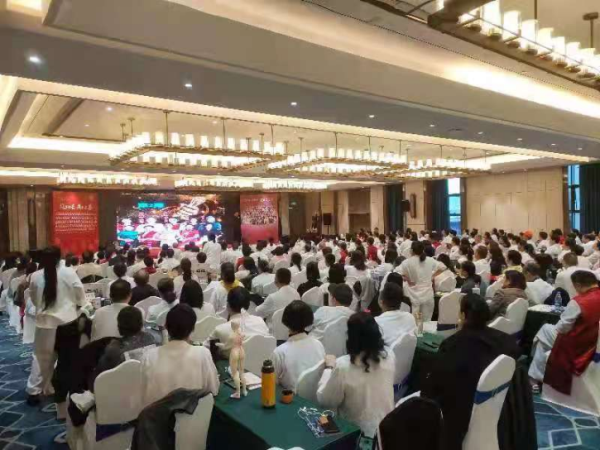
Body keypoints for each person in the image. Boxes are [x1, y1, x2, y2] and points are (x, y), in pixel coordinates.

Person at [422, 294, 520, 450]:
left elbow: (434, 387)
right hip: (499, 409)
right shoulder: (505, 340)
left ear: (462, 315)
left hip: (460, 416)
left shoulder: (452, 345)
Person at [317, 312, 395, 438]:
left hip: (357, 434)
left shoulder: (343, 366)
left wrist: (329, 368)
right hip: (387, 428)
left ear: (351, 338)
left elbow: (325, 400)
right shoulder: (390, 355)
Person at [26, 246, 88, 405]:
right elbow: (80, 295)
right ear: (59, 257)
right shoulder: (69, 272)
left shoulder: (35, 276)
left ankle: (34, 391)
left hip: (45, 323)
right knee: (66, 360)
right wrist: (77, 306)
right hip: (67, 322)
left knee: (41, 358)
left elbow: (33, 299)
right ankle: (61, 392)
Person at [529, 270, 600, 393]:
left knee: (544, 331)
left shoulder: (579, 301)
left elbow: (562, 328)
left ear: (578, 285)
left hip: (578, 345)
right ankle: (535, 376)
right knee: (543, 338)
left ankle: (534, 378)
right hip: (594, 342)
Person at [141, 304, 219, 407]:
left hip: (158, 415)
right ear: (193, 328)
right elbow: (214, 389)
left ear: (166, 326)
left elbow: (143, 396)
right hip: (195, 415)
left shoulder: (149, 356)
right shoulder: (203, 353)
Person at [272, 301, 325, 391]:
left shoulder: (279, 352)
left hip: (291, 397)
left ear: (285, 321)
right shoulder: (318, 344)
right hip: (315, 394)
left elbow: (271, 384)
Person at [208, 287, 269, 358]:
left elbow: (206, 347)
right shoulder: (261, 322)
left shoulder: (220, 329)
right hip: (262, 362)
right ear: (249, 305)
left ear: (227, 305)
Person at [95, 306, 156, 376]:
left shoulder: (114, 349)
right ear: (141, 323)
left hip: (121, 381)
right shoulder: (150, 338)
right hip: (148, 379)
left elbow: (101, 371)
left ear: (119, 326)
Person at [397, 241, 443, 322]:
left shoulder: (406, 262)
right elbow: (443, 267)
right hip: (428, 294)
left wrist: (407, 279)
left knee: (415, 321)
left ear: (411, 250)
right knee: (427, 321)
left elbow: (397, 272)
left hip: (414, 295)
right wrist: (432, 276)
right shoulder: (429, 260)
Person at [375, 283, 417, 347]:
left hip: (386, 353)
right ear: (401, 302)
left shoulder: (376, 322)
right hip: (408, 353)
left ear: (381, 302)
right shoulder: (410, 317)